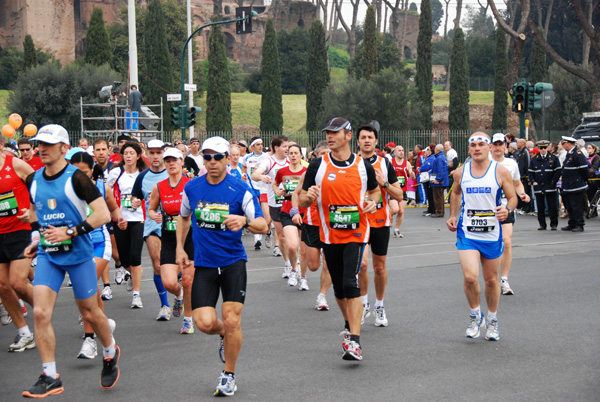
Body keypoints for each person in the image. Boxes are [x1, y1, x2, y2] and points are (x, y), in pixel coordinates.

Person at [22, 124, 120, 397]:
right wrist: (35, 239)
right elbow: (33, 211)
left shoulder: (77, 178)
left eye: (48, 144)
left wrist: (71, 232)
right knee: (40, 312)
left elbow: (102, 214)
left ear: (64, 148)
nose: (42, 148)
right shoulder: (33, 179)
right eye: (39, 143)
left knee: (90, 312)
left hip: (78, 255)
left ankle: (110, 350)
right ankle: (50, 375)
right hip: (48, 255)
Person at [176, 136, 268, 396]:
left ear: (228, 158)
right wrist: (181, 248)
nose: (212, 162)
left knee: (231, 320)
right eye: (207, 157)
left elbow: (264, 225)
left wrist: (245, 221)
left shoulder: (240, 189)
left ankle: (228, 374)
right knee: (204, 322)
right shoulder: (192, 188)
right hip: (204, 264)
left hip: (232, 263)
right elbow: (183, 218)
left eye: (218, 156)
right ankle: (222, 336)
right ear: (202, 160)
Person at [299, 117, 381, 361]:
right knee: (337, 286)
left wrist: (373, 202)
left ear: (348, 136)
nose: (329, 136)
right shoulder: (317, 165)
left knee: (349, 281)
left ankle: (354, 341)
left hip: (356, 232)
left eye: (335, 132)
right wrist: (308, 196)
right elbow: (302, 199)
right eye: (327, 132)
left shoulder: (362, 166)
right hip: (329, 233)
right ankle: (349, 322)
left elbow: (375, 190)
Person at [446, 132, 518, 342]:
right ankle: (475, 315)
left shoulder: (501, 171)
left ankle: (493, 319)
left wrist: (507, 210)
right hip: (467, 232)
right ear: (469, 150)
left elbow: (512, 197)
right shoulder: (461, 172)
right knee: (470, 277)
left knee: (491, 280)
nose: (477, 148)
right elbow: (456, 193)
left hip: (492, 233)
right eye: (473, 145)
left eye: (481, 144)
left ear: (489, 148)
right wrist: (452, 215)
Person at [69, 152, 126, 359]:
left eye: (83, 172)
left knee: (86, 285)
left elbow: (113, 208)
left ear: (92, 169)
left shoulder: (103, 188)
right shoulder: (67, 191)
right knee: (89, 290)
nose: (79, 176)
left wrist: (119, 219)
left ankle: (89, 340)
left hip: (99, 244)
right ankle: (103, 322)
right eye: (75, 171)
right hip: (78, 245)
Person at [356, 122, 403, 327]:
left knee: (379, 267)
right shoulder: (352, 163)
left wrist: (384, 184)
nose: (367, 140)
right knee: (362, 265)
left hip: (380, 222)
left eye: (370, 137)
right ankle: (364, 304)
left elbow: (399, 194)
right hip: (357, 221)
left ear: (376, 141)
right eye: (363, 137)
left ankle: (379, 305)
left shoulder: (385, 163)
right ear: (357, 141)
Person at [147, 147, 195, 334]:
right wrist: (154, 216)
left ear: (182, 161)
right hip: (168, 237)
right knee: (168, 282)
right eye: (168, 161)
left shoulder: (191, 184)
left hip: (190, 238)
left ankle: (188, 320)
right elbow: (151, 209)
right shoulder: (159, 187)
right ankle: (179, 295)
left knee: (189, 281)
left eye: (174, 160)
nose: (171, 163)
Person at [0, 143, 35, 352]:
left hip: (20, 230)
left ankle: (43, 310)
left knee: (18, 283)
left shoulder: (17, 165)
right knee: (3, 286)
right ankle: (24, 333)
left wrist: (31, 210)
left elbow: (40, 187)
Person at [291, 141, 333, 310]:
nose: (325, 157)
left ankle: (322, 297)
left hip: (331, 223)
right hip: (311, 223)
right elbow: (296, 193)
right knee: (314, 265)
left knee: (329, 263)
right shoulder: (310, 172)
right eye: (322, 154)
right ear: (316, 155)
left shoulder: (336, 172)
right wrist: (295, 211)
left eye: (328, 153)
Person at [131, 140, 171, 320]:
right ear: (146, 154)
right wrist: (134, 202)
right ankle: (164, 306)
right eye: (152, 153)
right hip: (152, 225)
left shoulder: (173, 173)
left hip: (174, 225)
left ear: (164, 153)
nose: (155, 156)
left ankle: (178, 293)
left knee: (177, 266)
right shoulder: (142, 177)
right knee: (157, 265)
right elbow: (135, 197)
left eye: (158, 152)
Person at [106, 141, 147, 308]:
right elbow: (106, 192)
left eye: (132, 153)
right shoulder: (116, 172)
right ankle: (130, 275)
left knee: (135, 257)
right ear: (122, 156)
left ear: (138, 156)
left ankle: (136, 295)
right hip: (121, 219)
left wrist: (140, 200)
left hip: (138, 218)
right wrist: (110, 211)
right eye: (126, 153)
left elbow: (151, 193)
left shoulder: (144, 173)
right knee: (123, 259)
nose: (128, 156)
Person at [490, 133, 531, 296]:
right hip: (485, 210)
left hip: (506, 208)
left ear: (506, 147)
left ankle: (504, 279)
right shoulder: (484, 162)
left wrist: (522, 194)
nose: (499, 147)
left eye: (501, 144)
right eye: (496, 144)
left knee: (506, 241)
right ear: (491, 146)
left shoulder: (511, 164)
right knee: (490, 244)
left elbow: (517, 183)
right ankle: (490, 277)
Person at [251, 136, 290, 274]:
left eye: (288, 146)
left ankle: (295, 262)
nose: (287, 149)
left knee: (293, 236)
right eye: (285, 146)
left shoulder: (291, 160)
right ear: (276, 147)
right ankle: (288, 263)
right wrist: (262, 177)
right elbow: (254, 174)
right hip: (275, 203)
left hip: (291, 203)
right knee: (282, 236)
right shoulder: (269, 161)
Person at [273, 144, 307, 288]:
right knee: (292, 247)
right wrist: (277, 191)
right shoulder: (282, 171)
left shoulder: (307, 171)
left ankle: (303, 278)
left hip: (305, 211)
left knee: (304, 250)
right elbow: (275, 184)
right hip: (287, 210)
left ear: (301, 155)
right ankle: (294, 269)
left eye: (296, 153)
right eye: (291, 153)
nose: (293, 155)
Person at [529, 140, 561, 231]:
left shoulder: (554, 158)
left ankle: (554, 224)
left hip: (550, 185)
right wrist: (533, 181)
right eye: (541, 148)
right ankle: (542, 224)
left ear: (547, 148)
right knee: (540, 206)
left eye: (545, 148)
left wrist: (553, 182)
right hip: (539, 186)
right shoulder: (534, 159)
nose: (543, 150)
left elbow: (558, 171)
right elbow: (530, 172)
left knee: (552, 206)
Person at [241, 137, 267, 250]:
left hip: (263, 187)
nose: (260, 146)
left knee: (264, 213)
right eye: (257, 144)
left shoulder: (266, 157)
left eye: (261, 144)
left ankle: (267, 231)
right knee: (255, 212)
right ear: (252, 147)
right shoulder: (247, 157)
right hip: (251, 187)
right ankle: (257, 238)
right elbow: (244, 166)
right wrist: (244, 174)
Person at [560, 136, 588, 232]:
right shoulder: (570, 154)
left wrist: (582, 180)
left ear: (568, 143)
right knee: (569, 206)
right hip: (568, 185)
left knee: (576, 206)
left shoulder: (577, 154)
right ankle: (572, 223)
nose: (563, 145)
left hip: (576, 185)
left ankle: (579, 224)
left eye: (564, 143)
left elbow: (584, 169)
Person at [391, 145, 415, 238]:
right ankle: (388, 216)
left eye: (402, 150)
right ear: (395, 153)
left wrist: (412, 175)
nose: (401, 152)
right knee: (395, 210)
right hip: (393, 190)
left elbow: (411, 175)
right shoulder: (391, 162)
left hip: (403, 190)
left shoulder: (407, 163)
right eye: (399, 150)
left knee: (401, 211)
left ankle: (397, 229)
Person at [431, 144, 449, 217]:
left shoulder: (438, 158)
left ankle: (439, 211)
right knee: (440, 196)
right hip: (443, 180)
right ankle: (441, 211)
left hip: (439, 181)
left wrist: (437, 179)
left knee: (437, 197)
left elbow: (440, 170)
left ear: (437, 150)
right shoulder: (443, 157)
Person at [419, 144, 436, 216]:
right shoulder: (430, 158)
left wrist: (420, 169)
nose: (425, 153)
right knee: (430, 194)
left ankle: (432, 210)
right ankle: (430, 208)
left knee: (430, 194)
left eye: (426, 151)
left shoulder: (431, 158)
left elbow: (426, 167)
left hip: (429, 178)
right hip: (429, 177)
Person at [516, 139, 532, 214]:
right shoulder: (521, 153)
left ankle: (527, 208)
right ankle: (523, 207)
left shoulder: (525, 152)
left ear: (522, 144)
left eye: (518, 143)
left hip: (525, 176)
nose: (516, 144)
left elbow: (528, 164)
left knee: (526, 192)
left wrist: (528, 178)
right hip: (521, 176)